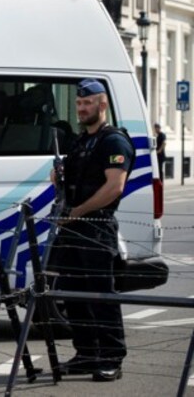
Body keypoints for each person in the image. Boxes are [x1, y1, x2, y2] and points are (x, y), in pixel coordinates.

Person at [49, 78, 135, 382]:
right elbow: (66, 181)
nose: (81, 109)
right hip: (72, 227)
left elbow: (115, 187)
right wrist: (57, 177)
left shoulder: (113, 142)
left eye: (87, 104)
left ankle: (111, 357)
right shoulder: (80, 141)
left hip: (96, 228)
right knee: (74, 295)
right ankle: (86, 353)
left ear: (102, 105)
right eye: (78, 104)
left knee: (101, 297)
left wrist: (77, 213)